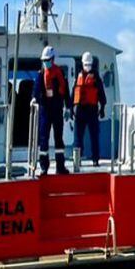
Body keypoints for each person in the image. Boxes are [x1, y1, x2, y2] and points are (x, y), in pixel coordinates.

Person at [33, 45, 72, 175]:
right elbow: (37, 88)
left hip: (57, 110)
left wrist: (68, 106)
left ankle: (60, 166)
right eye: (44, 60)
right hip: (45, 110)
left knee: (58, 138)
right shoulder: (41, 74)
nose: (46, 62)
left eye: (48, 60)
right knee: (43, 138)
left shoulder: (60, 74)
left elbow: (65, 91)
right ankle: (44, 167)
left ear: (53, 59)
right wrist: (34, 98)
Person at [73, 51, 107, 167]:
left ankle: (81, 160)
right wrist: (102, 107)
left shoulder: (81, 76)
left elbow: (74, 92)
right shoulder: (95, 77)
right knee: (89, 136)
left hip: (84, 110)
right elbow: (101, 94)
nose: (87, 66)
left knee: (83, 136)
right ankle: (94, 159)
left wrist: (71, 107)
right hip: (87, 110)